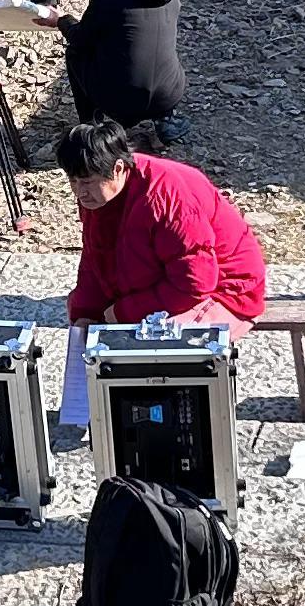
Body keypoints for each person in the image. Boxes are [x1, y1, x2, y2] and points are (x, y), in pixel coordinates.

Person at [56, 119, 267, 432]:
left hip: (225, 286)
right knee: (92, 328)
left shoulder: (168, 196)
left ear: (117, 169)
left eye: (86, 181)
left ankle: (171, 425)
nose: (79, 191)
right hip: (156, 280)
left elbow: (195, 283)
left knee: (161, 346)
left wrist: (124, 312)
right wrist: (86, 313)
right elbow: (94, 257)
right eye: (73, 181)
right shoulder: (99, 194)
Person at [50, 0, 185, 139]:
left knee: (76, 53)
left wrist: (61, 20)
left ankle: (92, 127)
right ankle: (165, 119)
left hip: (122, 100)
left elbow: (80, 38)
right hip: (169, 94)